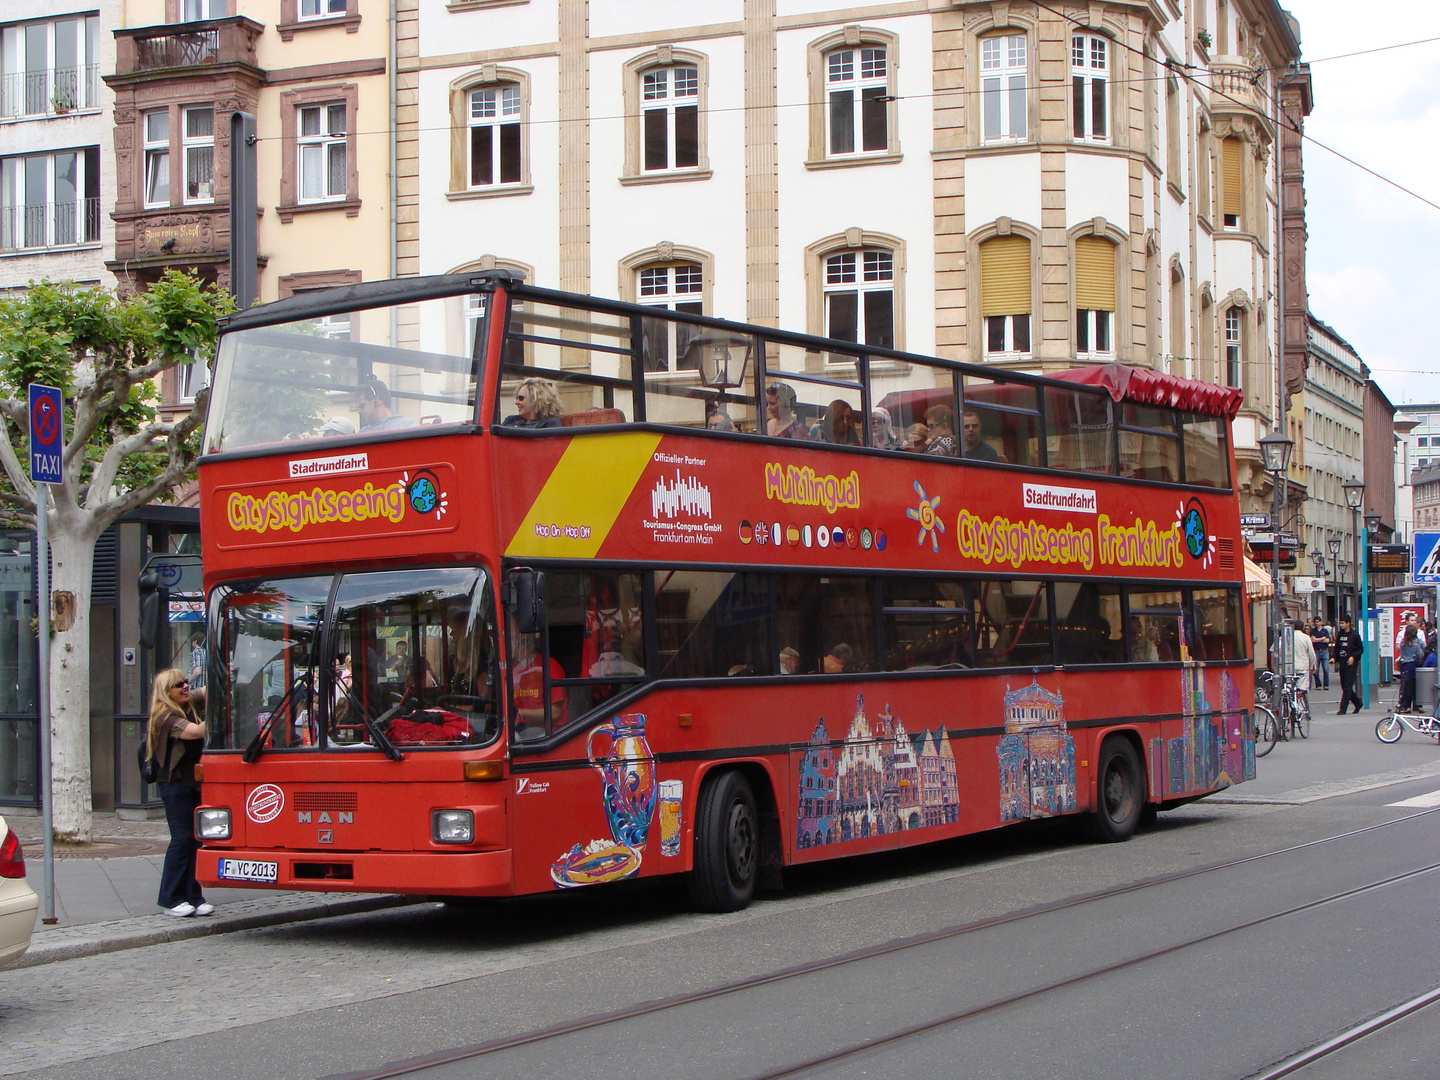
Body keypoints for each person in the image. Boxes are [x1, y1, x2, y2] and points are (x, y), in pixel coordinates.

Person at [148, 669, 213, 918]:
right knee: (182, 838)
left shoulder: (188, 702)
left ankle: (194, 896)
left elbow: (208, 692)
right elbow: (195, 732)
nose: (185, 686)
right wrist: (220, 714)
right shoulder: (164, 718)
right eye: (178, 684)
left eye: (186, 681)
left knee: (196, 839)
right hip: (174, 785)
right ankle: (171, 898)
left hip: (193, 783)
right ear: (167, 692)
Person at [1334, 615, 1364, 714]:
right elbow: (1337, 647)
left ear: (1348, 624)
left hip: (1351, 663)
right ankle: (1358, 702)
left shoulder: (1354, 635)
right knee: (1344, 686)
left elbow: (1360, 649)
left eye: (1343, 623)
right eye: (1340, 623)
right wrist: (1334, 657)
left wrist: (1353, 657)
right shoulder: (1340, 634)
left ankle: (1343, 708)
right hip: (1342, 662)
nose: (1341, 625)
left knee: (1347, 685)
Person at [1397, 616, 1425, 712]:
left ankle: (1405, 705)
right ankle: (1416, 704)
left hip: (1405, 665)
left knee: (1406, 686)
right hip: (1414, 665)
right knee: (1416, 686)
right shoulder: (1417, 642)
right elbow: (1421, 653)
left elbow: (1401, 652)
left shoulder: (1403, 642)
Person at [1291, 620, 1317, 698]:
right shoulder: (1306, 637)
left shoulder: (1287, 636)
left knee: (1289, 688)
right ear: (1302, 628)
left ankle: (1290, 706)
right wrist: (1313, 665)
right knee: (1302, 688)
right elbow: (1311, 653)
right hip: (1302, 665)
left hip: (1290, 666)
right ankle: (1301, 707)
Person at [1310, 616, 1331, 690]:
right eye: (1315, 622)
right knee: (1316, 669)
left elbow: (1328, 640)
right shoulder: (1313, 631)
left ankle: (1326, 684)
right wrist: (1322, 638)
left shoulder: (1325, 631)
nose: (1316, 623)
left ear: (1321, 622)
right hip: (1317, 651)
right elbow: (1313, 640)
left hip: (1324, 650)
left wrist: (1317, 639)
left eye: (1318, 621)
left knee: (1326, 668)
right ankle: (1318, 684)